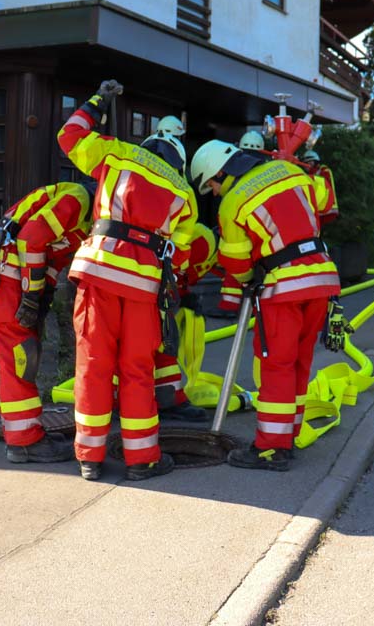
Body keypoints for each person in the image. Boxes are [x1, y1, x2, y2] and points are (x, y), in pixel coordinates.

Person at [58, 80, 198, 482]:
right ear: (178, 162)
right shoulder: (184, 193)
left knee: (93, 365)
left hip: (99, 273)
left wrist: (98, 102)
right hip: (144, 288)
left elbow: (69, 136)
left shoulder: (117, 153)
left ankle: (90, 459)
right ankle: (142, 460)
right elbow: (180, 257)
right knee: (138, 370)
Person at [190, 140, 340, 471]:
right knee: (300, 361)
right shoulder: (289, 170)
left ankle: (271, 448)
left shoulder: (232, 203)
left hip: (284, 287)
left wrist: (248, 279)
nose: (214, 192)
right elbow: (325, 201)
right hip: (323, 279)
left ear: (220, 172)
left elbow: (236, 261)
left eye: (211, 184)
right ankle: (289, 435)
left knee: (277, 365)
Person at [0, 183, 94, 463]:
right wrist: (33, 295)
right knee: (19, 356)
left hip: (9, 272)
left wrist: (44, 296)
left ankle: (24, 434)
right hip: (6, 273)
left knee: (22, 355)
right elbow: (30, 239)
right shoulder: (78, 198)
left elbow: (52, 257)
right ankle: (24, 442)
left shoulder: (84, 214)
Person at [151, 221, 218, 418]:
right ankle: (168, 400)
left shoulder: (208, 248)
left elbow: (178, 275)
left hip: (153, 288)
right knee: (164, 342)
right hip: (152, 288)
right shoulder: (203, 241)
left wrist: (185, 295)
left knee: (162, 343)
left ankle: (164, 398)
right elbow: (171, 268)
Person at [301, 149, 339, 227]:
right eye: (305, 163)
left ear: (316, 162)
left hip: (329, 209)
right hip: (319, 210)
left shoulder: (324, 170)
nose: (307, 165)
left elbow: (323, 182)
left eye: (310, 162)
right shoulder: (310, 175)